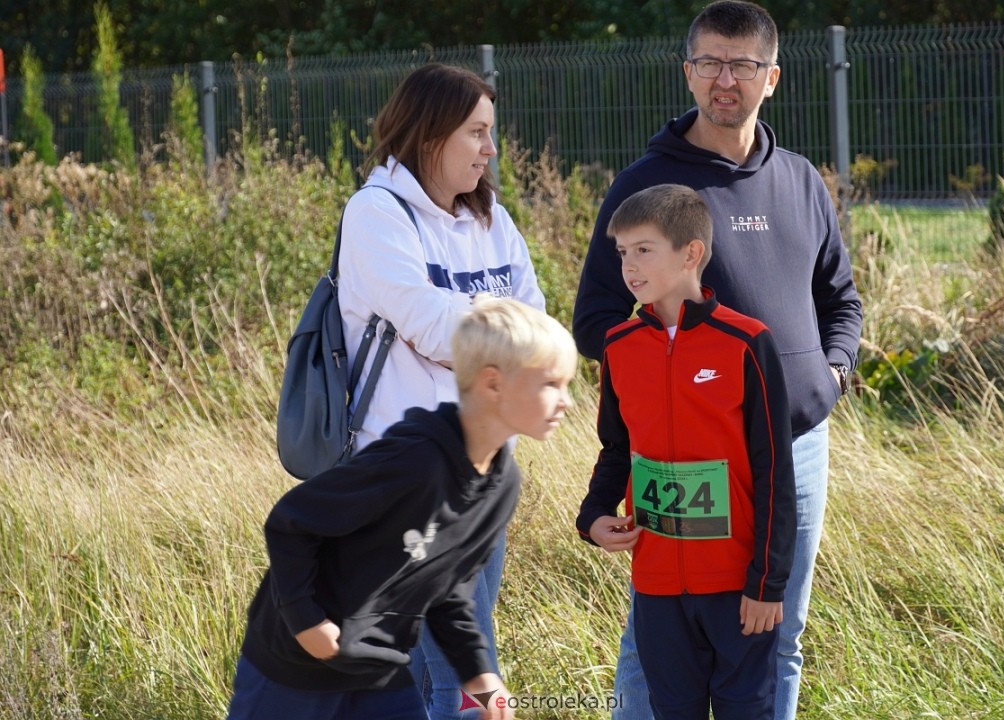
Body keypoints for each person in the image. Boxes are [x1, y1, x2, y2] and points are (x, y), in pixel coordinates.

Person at [571, 3, 863, 719]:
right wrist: (678, 389)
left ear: (773, 78)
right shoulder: (651, 184)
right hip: (687, 462)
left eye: (741, 64)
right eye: (709, 62)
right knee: (659, 637)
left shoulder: (799, 180)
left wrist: (830, 375)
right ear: (687, 72)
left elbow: (843, 301)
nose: (723, 79)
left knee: (778, 626)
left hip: (796, 446)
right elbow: (597, 322)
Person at [226, 296, 578, 720]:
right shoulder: (413, 460)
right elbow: (292, 522)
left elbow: (450, 590)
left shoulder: (500, 486)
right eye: (551, 384)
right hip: (294, 667)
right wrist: (305, 621)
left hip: (381, 670)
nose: (566, 401)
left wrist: (479, 674)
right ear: (493, 384)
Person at [337, 63, 546, 719]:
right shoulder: (376, 213)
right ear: (430, 136)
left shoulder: (491, 220)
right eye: (477, 133)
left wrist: (489, 326)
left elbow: (537, 323)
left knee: (442, 677)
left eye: (491, 133)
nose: (491, 149)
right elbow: (431, 329)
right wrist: (499, 321)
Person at [576, 184, 796, 719]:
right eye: (622, 252)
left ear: (691, 253)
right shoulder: (620, 347)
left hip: (737, 588)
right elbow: (616, 448)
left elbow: (775, 471)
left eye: (644, 250)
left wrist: (767, 583)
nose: (629, 266)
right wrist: (593, 517)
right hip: (656, 590)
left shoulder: (746, 343)